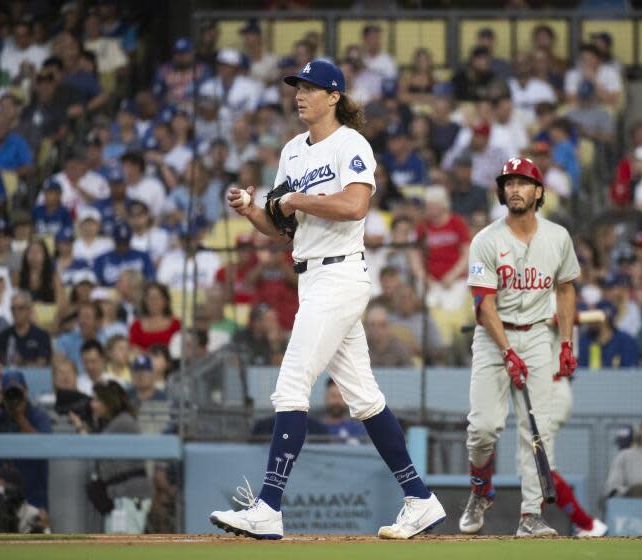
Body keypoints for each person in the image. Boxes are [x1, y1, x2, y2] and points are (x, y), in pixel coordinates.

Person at [211, 60, 445, 540]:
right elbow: (282, 229)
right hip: (310, 277)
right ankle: (419, 498)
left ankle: (268, 506)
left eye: (311, 88)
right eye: (297, 87)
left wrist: (298, 200)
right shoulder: (292, 151)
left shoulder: (350, 143)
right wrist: (254, 209)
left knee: (291, 385)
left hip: (341, 274)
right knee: (364, 400)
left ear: (333, 96)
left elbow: (355, 205)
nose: (300, 94)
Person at [459, 156, 579, 537]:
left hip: (539, 337)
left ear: (538, 192)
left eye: (523, 182)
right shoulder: (486, 240)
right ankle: (481, 489)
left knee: (537, 429)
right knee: (483, 429)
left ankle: (530, 516)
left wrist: (565, 343)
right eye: (508, 182)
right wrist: (508, 351)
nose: (514, 188)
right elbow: (483, 305)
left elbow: (565, 288)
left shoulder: (558, 237)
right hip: (495, 338)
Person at [69, 380, 152, 533]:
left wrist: (79, 426)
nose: (92, 404)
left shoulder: (123, 422)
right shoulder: (114, 423)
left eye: (97, 400)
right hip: (122, 496)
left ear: (109, 402)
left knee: (125, 548)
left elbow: (92, 449)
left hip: (130, 495)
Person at [0, 371, 53, 514]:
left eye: (18, 391)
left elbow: (43, 445)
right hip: (2, 496)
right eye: (10, 392)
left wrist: (19, 417)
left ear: (26, 392)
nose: (14, 397)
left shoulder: (39, 415)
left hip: (33, 494)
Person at [0, 291, 51, 367]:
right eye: (13, 308)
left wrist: (22, 362)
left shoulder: (42, 336)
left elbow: (42, 364)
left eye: (21, 308)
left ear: (29, 310)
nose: (16, 312)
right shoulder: (1, 337)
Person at [128, 282, 181, 352]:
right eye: (150, 298)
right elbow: (133, 348)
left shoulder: (176, 324)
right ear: (145, 301)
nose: (154, 302)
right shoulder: (136, 325)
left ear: (165, 301)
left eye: (157, 298)